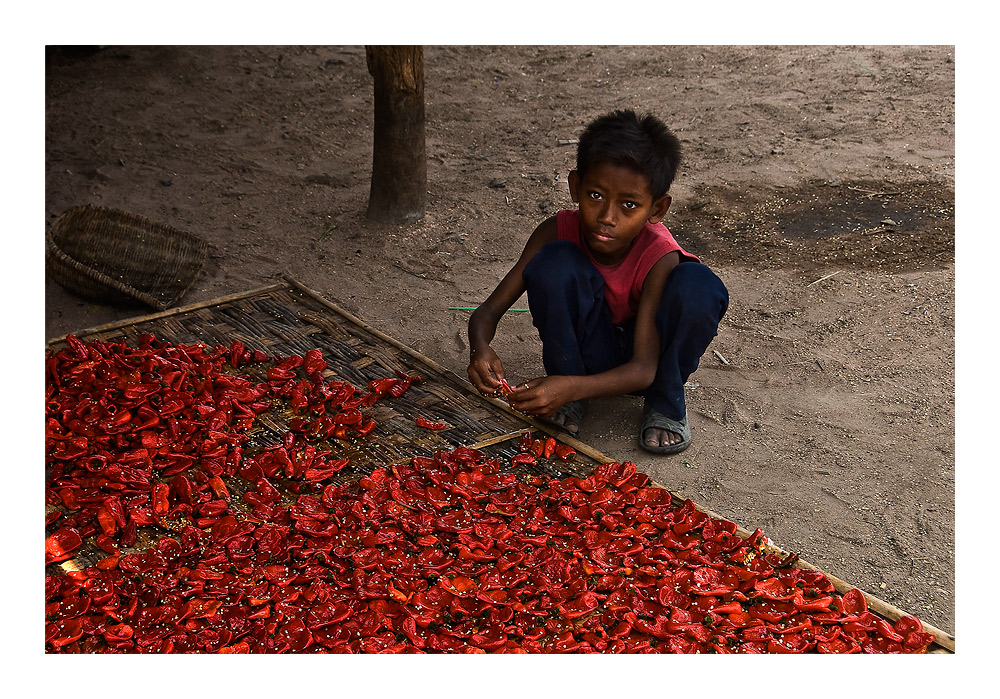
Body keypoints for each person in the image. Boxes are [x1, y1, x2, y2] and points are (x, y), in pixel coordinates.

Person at [467, 109, 728, 454]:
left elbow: (642, 368)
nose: (607, 217)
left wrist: (569, 387)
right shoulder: (554, 233)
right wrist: (480, 349)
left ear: (657, 209)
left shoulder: (659, 255)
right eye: (595, 196)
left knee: (699, 287)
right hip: (591, 352)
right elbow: (487, 313)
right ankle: (570, 392)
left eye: (629, 204)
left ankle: (666, 403)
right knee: (553, 263)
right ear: (576, 186)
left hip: (647, 364)